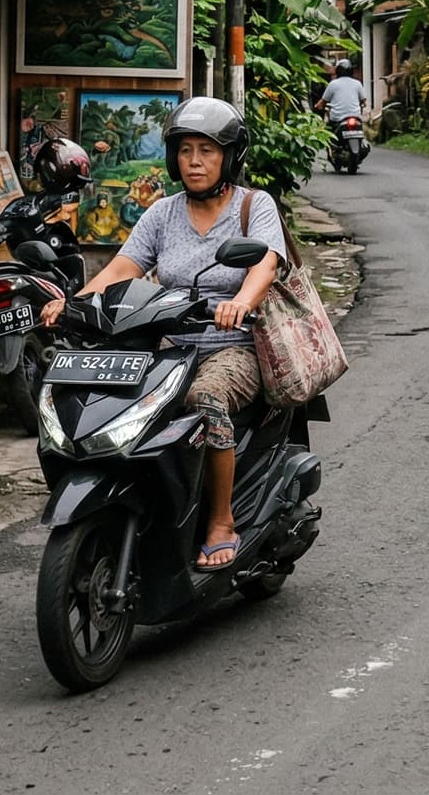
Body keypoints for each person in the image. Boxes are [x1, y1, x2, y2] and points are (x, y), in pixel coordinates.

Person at [39, 98, 284, 571]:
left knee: (205, 400)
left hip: (230, 347)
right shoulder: (163, 214)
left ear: (228, 157)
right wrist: (76, 303)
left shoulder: (255, 207)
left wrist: (241, 303)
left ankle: (220, 521)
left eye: (208, 151)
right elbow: (124, 267)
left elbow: (264, 263)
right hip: (169, 345)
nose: (195, 161)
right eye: (186, 150)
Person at [315, 59, 366, 126]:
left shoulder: (333, 84)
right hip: (356, 118)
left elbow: (322, 102)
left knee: (329, 130)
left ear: (337, 70)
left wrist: (317, 106)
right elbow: (364, 102)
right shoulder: (358, 83)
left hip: (337, 119)